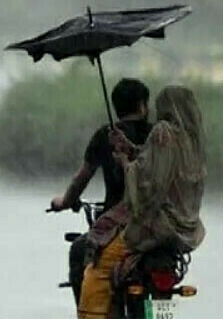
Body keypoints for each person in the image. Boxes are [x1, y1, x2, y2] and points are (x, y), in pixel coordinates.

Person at [78, 86, 207, 318]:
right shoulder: (192, 142)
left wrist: (125, 163)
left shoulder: (163, 132)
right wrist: (130, 147)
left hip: (155, 228)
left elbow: (150, 184)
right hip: (184, 231)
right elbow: (156, 163)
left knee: (98, 269)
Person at [50, 78, 153, 304]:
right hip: (158, 226)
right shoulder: (158, 136)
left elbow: (82, 178)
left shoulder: (106, 136)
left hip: (118, 227)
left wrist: (64, 202)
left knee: (79, 252)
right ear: (142, 106)